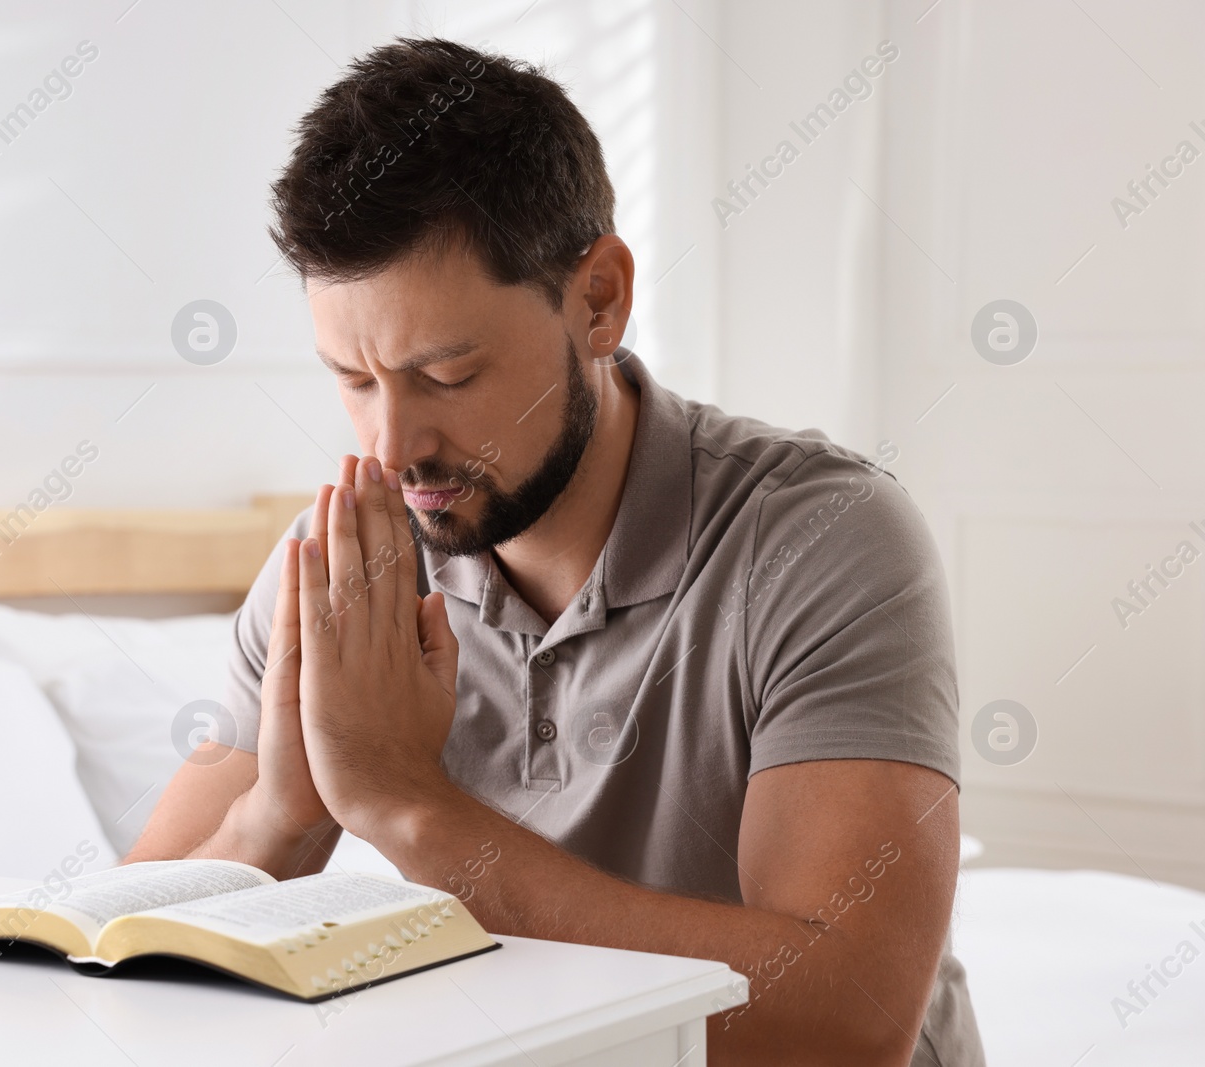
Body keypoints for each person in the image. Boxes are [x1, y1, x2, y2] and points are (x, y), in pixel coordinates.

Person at [129, 37, 983, 1066]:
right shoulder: (342, 569)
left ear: (598, 300)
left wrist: (405, 804)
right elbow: (127, 953)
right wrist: (284, 804)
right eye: (352, 378)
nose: (391, 447)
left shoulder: (820, 539)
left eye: (445, 374)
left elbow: (845, 1025)